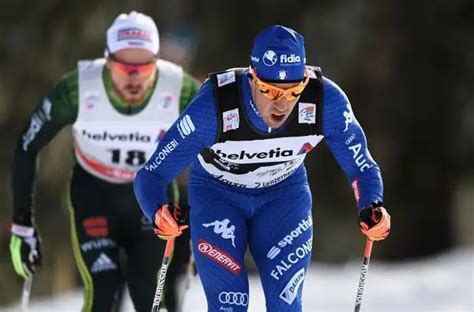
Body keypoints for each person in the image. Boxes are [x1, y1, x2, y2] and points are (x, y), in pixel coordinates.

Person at [134, 25, 391, 311]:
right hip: (217, 198)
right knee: (228, 304)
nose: (281, 103)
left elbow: (362, 168)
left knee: (286, 304)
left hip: (283, 198)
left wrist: (371, 206)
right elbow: (151, 175)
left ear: (305, 80)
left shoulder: (325, 103)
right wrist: (159, 212)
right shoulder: (213, 109)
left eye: (293, 91)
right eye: (269, 90)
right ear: (253, 79)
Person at [9, 11, 200, 312]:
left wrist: (207, 217)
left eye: (145, 67)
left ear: (157, 62)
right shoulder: (77, 89)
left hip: (151, 196)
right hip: (95, 194)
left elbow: (216, 147)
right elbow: (26, 145)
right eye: (125, 67)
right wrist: (22, 224)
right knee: (102, 293)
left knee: (149, 291)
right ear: (108, 60)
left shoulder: (179, 88)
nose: (134, 78)